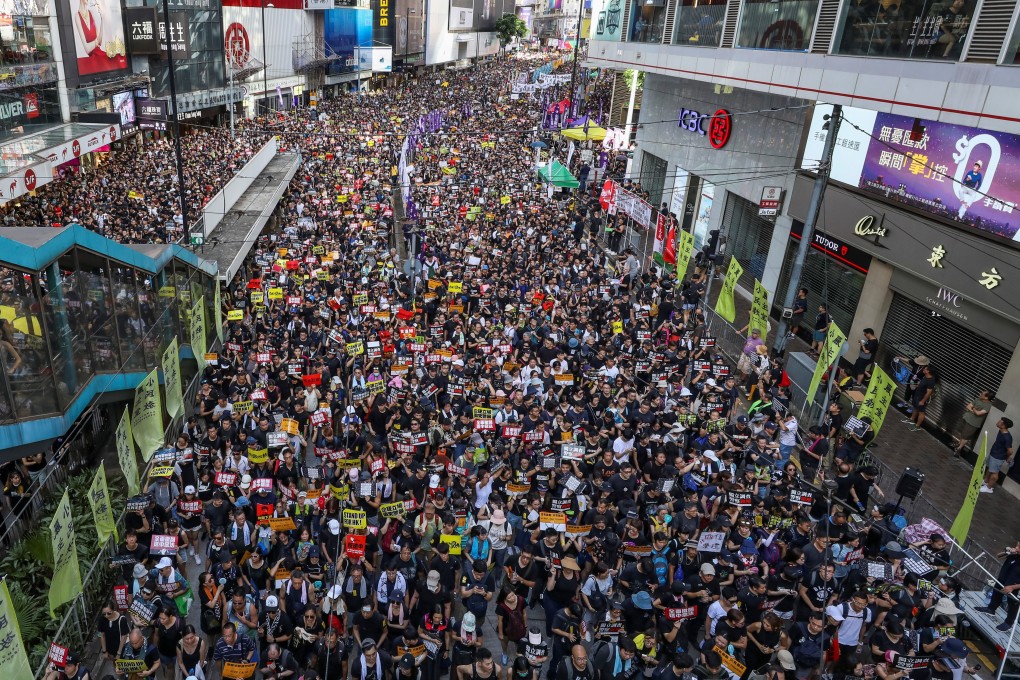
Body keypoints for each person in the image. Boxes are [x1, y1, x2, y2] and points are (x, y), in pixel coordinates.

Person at [977, 539, 1020, 630]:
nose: (1016, 548)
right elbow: (998, 556)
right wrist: (1007, 551)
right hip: (1002, 579)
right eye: (1017, 545)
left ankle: (1009, 623)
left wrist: (1013, 587)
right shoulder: (1013, 554)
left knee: (1012, 603)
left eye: (1019, 547)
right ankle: (991, 609)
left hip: (1014, 586)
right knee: (997, 593)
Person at [953, 389, 993, 455]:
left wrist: (973, 408)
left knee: (966, 436)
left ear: (986, 397)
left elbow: (978, 413)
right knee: (962, 433)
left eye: (982, 393)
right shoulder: (978, 399)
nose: (980, 393)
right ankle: (958, 444)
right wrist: (974, 411)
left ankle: (959, 448)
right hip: (966, 418)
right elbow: (968, 406)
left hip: (973, 423)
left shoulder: (988, 405)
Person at [982, 418, 1014, 493]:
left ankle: (988, 488)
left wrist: (1006, 457)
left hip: (998, 457)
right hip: (993, 453)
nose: (997, 422)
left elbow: (1010, 451)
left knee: (994, 473)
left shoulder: (1007, 437)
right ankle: (986, 481)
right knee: (990, 468)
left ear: (1003, 425)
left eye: (1000, 421)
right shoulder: (1001, 431)